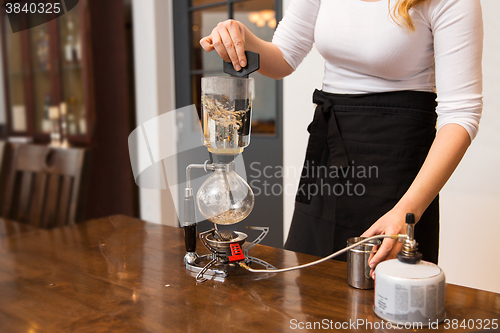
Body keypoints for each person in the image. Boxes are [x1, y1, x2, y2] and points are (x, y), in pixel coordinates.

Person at [200, 0, 483, 275]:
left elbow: (461, 114)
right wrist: (240, 36)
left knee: (383, 298)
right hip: (328, 154)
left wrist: (407, 212)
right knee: (306, 282)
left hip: (398, 169)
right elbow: (282, 58)